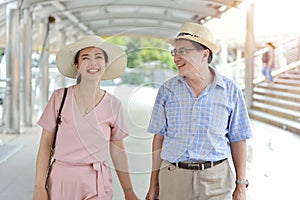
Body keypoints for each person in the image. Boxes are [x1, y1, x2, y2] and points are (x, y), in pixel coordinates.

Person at [145, 22, 253, 200]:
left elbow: (238, 138)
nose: (176, 58)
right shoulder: (167, 90)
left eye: (183, 51)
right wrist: (153, 184)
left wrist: (241, 185)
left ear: (204, 54)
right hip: (173, 179)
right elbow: (159, 138)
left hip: (216, 180)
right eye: (175, 52)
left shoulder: (230, 90)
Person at [33, 35, 139, 200]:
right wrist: (39, 187)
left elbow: (118, 151)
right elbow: (46, 145)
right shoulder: (60, 98)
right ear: (77, 65)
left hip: (97, 181)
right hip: (62, 178)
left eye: (98, 57)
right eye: (85, 58)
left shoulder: (113, 105)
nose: (93, 63)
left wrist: (129, 191)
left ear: (105, 64)